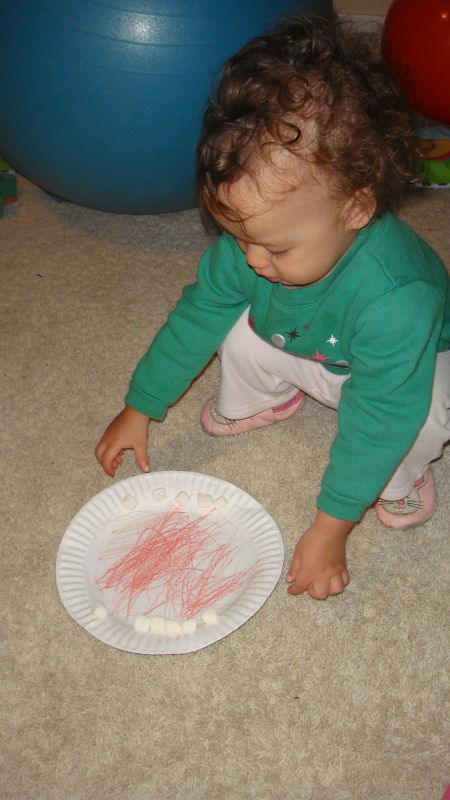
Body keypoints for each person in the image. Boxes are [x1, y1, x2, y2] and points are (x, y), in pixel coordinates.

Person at [96, 14, 450, 600]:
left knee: (422, 413)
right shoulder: (254, 245)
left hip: (405, 369)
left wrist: (332, 527)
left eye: (275, 247)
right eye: (238, 237)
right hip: (313, 345)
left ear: (357, 209)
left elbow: (381, 411)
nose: (252, 259)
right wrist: (141, 404)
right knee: (231, 324)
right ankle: (268, 397)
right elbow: (196, 317)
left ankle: (403, 478)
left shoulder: (398, 299)